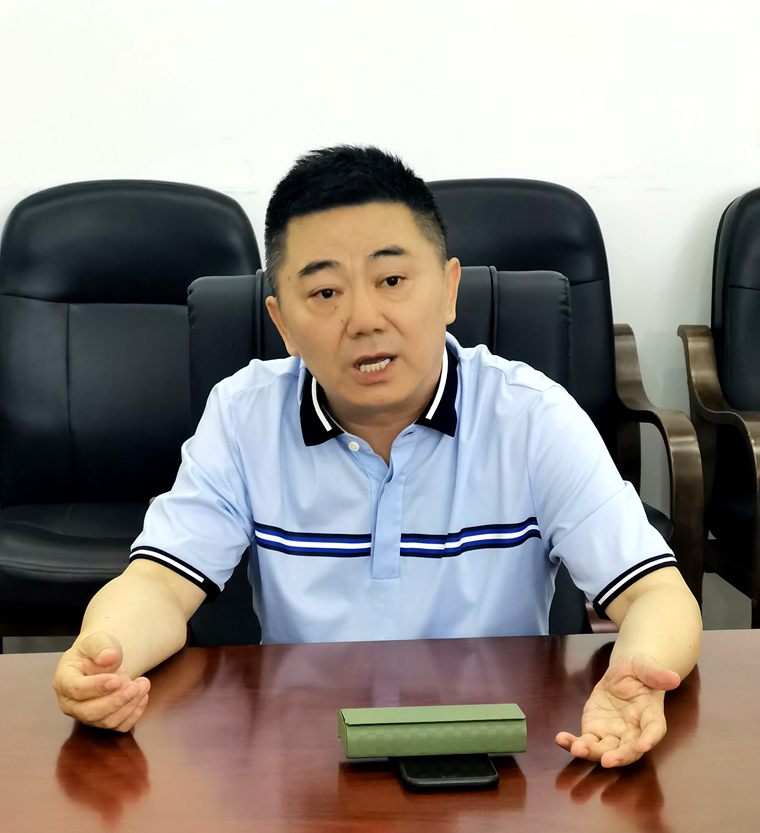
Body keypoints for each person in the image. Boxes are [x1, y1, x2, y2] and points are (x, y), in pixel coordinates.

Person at [54, 146, 701, 767]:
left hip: (497, 753)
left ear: (449, 289)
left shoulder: (532, 416)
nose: (363, 318)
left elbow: (655, 593)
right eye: (325, 293)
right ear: (282, 323)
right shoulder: (244, 414)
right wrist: (104, 653)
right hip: (307, 759)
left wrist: (636, 673)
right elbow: (160, 584)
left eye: (392, 280)